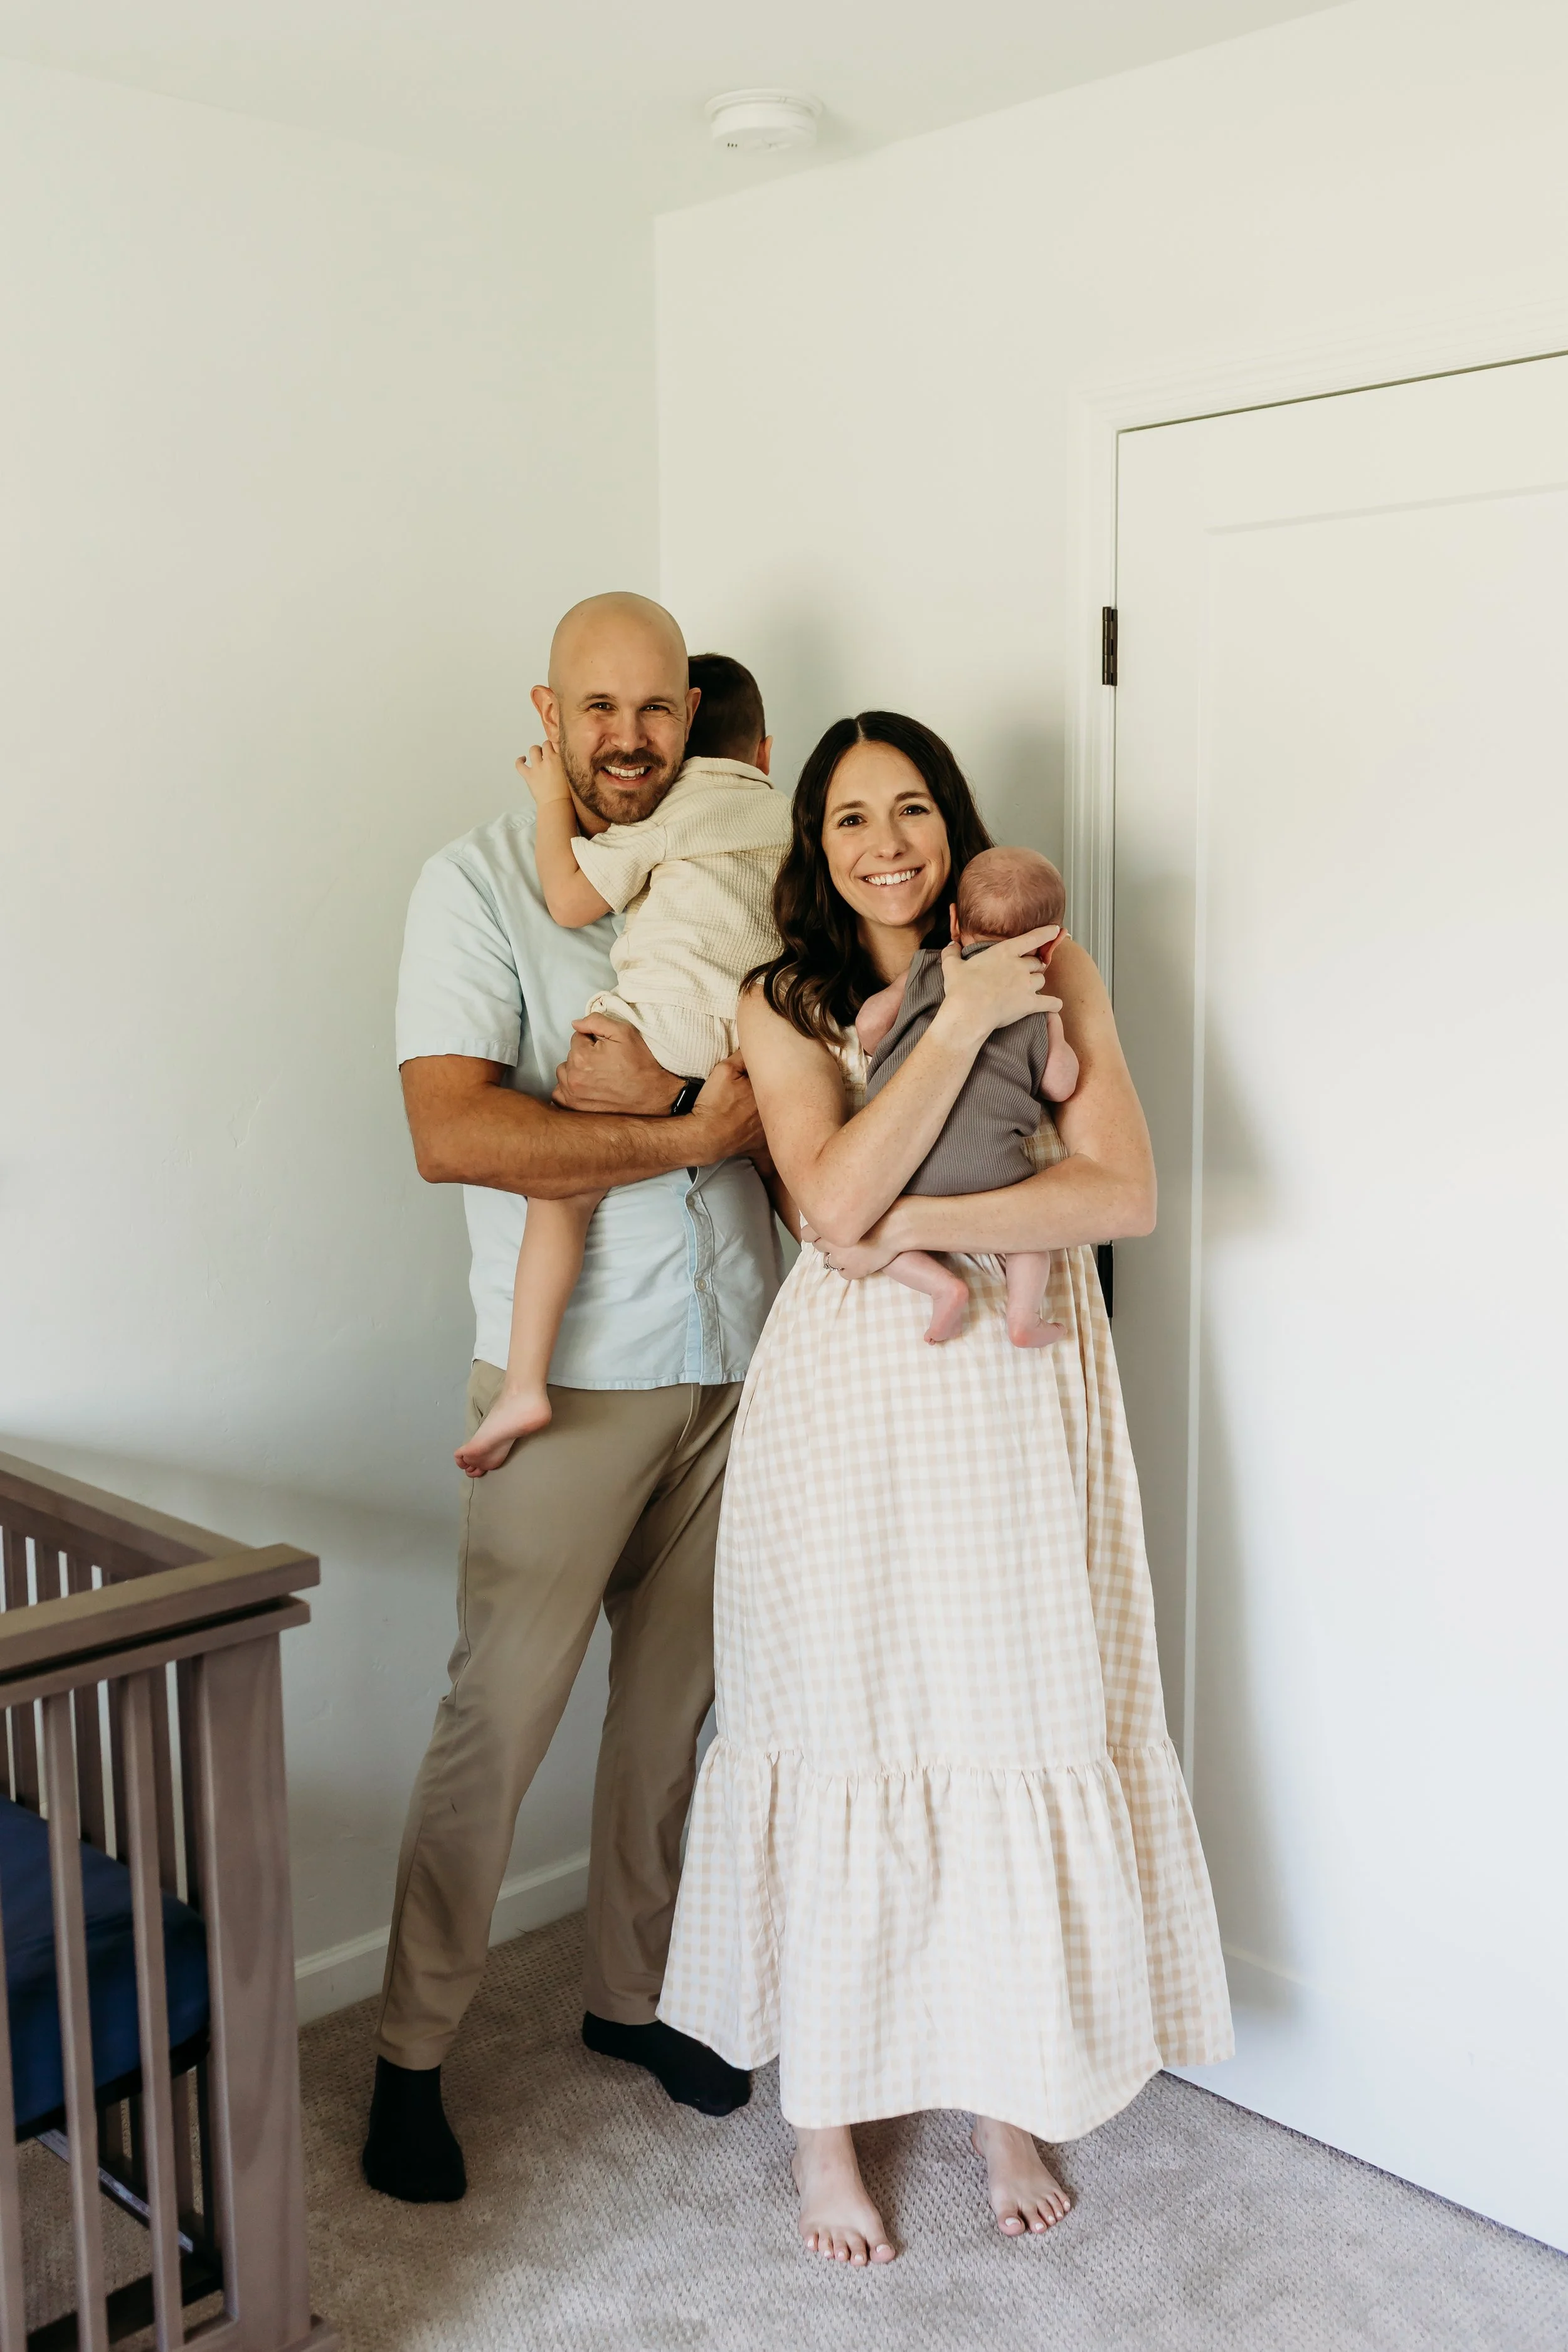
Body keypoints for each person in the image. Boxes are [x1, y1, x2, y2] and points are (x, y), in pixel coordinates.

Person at [657, 711, 1233, 2264]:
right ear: (816, 844)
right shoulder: (781, 998)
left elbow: (1124, 1188)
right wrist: (956, 1028)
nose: (885, 841)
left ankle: (1002, 2089)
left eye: (910, 807)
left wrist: (907, 1177)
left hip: (1017, 1381)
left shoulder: (1055, 957)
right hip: (853, 1401)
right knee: (838, 1717)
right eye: (850, 816)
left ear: (955, 828)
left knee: (1001, 1710)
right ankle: (827, 2120)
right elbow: (823, 1200)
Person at [363, 595, 782, 2206]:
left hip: (730, 1359)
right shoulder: (475, 882)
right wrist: (690, 1134)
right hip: (565, 1385)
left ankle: (633, 1995)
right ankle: (410, 2054)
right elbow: (459, 1133)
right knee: (499, 1723)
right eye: (597, 708)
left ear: (697, 716)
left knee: (674, 1716)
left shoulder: (737, 856)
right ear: (553, 710)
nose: (628, 738)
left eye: (657, 710)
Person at [457, 654, 791, 1476]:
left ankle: (526, 1379)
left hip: (664, 1026)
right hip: (756, 1045)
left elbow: (571, 899)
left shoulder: (675, 812)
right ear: (766, 754)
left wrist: (549, 804)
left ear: (678, 745)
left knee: (563, 1188)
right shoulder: (796, 820)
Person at [854, 844, 1078, 1347]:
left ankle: (942, 1288)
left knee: (873, 1231)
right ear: (1050, 946)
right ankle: (1022, 1318)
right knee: (1031, 1241)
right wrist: (1056, 1023)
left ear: (954, 922)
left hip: (907, 1170)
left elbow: (869, 1026)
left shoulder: (928, 969)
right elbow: (1060, 1084)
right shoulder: (1038, 1000)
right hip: (995, 1176)